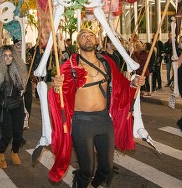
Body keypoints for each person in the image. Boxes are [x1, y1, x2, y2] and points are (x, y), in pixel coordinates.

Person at [50, 28, 145, 187]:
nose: (88, 38)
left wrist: (134, 83)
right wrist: (56, 87)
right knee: (87, 171)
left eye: (91, 35)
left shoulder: (107, 62)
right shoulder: (69, 65)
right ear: (78, 43)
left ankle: (94, 185)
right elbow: (59, 96)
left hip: (103, 120)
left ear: (96, 41)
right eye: (83, 36)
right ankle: (80, 181)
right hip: (82, 123)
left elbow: (120, 86)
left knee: (107, 169)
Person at [0, 45, 28, 168]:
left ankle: (15, 152)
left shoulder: (19, 70)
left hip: (17, 104)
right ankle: (1, 153)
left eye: (10, 55)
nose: (8, 58)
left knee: (18, 133)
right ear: (1, 57)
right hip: (3, 106)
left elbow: (23, 88)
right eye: (5, 56)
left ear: (14, 57)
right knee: (7, 135)